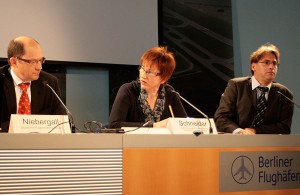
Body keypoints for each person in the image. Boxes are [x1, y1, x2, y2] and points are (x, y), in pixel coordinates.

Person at [214, 43, 294, 134]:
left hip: (269, 145)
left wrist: (255, 131)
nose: (272, 67)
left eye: (274, 63)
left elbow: (285, 127)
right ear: (253, 66)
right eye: (266, 62)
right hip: (236, 143)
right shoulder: (236, 86)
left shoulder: (284, 93)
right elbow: (221, 117)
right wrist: (240, 132)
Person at [109, 46, 187, 128]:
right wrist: (154, 125)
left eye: (149, 72)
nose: (143, 75)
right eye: (142, 68)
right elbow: (114, 125)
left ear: (163, 79)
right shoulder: (128, 90)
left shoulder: (170, 93)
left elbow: (184, 125)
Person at [0, 36, 66, 132]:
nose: (39, 67)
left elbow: (61, 122)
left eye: (40, 60)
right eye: (33, 62)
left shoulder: (49, 82)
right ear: (14, 62)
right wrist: (19, 127)